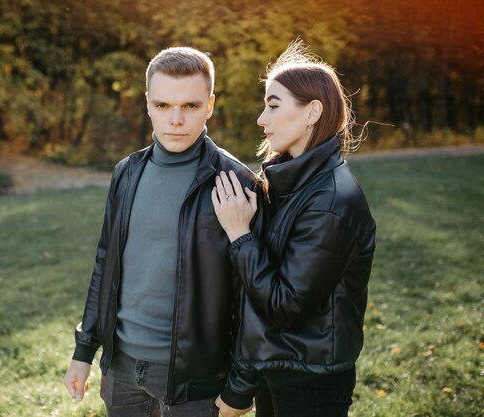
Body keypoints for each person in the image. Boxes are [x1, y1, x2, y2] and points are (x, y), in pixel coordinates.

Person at [63, 46, 265, 417]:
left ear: (210, 105)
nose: (175, 120)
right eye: (162, 106)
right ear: (147, 104)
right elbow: (105, 264)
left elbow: (251, 296)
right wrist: (83, 352)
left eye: (190, 106)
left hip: (196, 379)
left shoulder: (236, 182)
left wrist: (240, 387)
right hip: (121, 368)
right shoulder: (127, 172)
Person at [211, 40, 376, 417]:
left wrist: (240, 234)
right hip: (280, 365)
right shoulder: (290, 183)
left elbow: (285, 306)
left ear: (312, 112)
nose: (261, 120)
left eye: (272, 106)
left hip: (311, 379)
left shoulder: (332, 200)